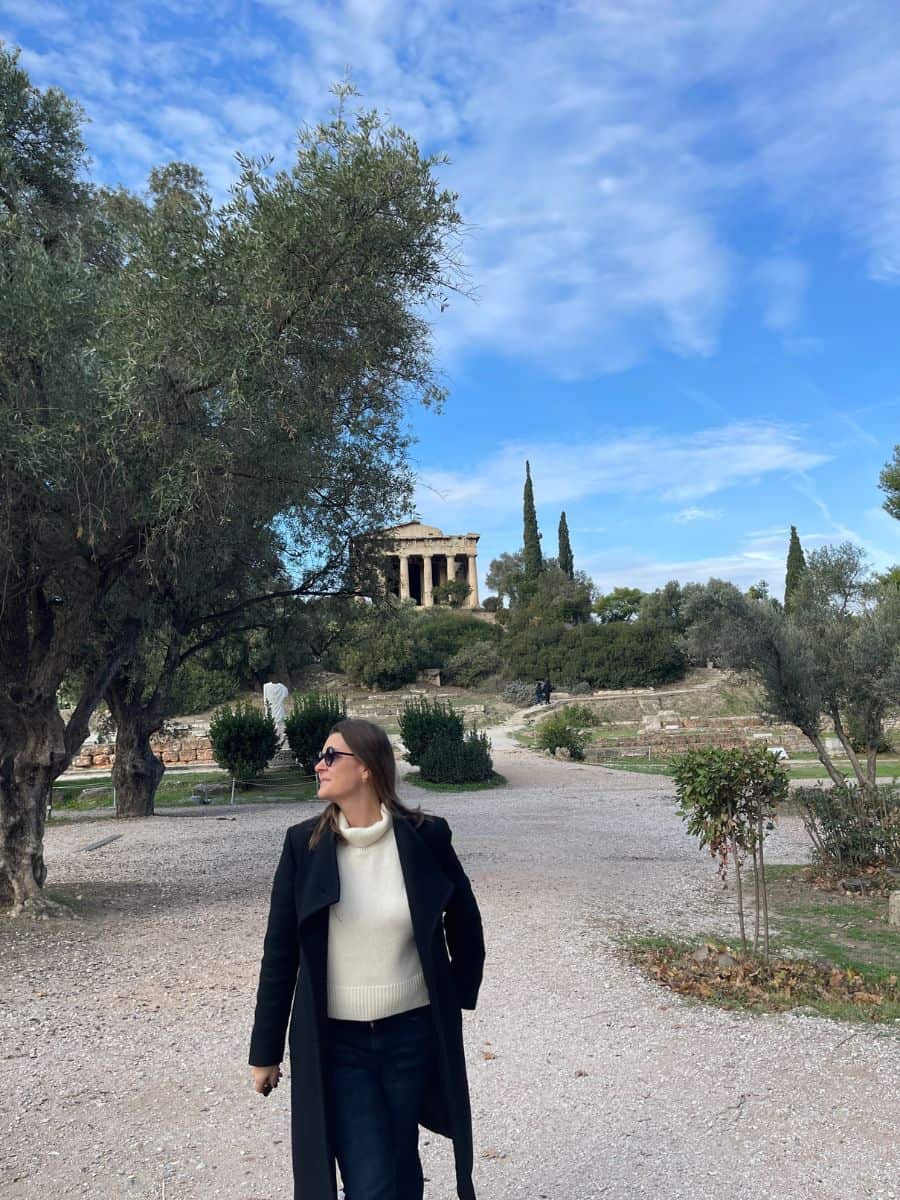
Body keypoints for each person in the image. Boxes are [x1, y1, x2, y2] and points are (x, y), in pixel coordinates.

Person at [248, 718, 485, 1200]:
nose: (319, 764)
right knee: (370, 1178)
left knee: (400, 1162)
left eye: (331, 756)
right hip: (338, 1043)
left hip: (411, 1034)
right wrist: (265, 1053)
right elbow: (280, 952)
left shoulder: (427, 837)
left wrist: (455, 995)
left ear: (367, 770)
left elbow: (465, 921)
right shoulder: (303, 846)